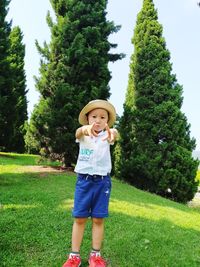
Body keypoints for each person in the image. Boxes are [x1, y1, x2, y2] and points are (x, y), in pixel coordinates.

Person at [62, 99, 118, 267]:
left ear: (107, 122)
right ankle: (74, 256)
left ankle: (95, 255)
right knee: (79, 218)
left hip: (102, 183)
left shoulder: (108, 135)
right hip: (84, 182)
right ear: (88, 119)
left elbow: (115, 134)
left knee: (98, 219)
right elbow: (77, 133)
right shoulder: (83, 133)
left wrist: (114, 134)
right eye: (94, 116)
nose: (98, 120)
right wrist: (84, 129)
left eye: (103, 117)